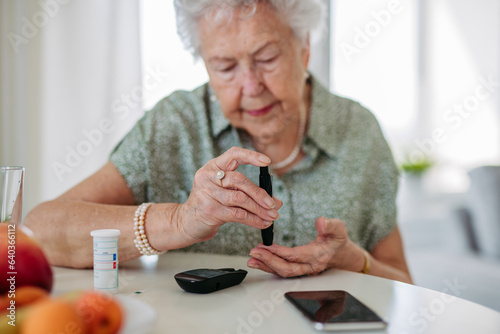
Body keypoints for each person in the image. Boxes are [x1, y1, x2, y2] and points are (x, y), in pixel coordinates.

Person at [26, 0, 412, 284]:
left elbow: (404, 285)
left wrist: (353, 260)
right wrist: (179, 220)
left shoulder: (359, 130)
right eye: (225, 67)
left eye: (267, 57)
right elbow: (39, 231)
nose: (250, 86)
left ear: (304, 46)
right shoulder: (174, 125)